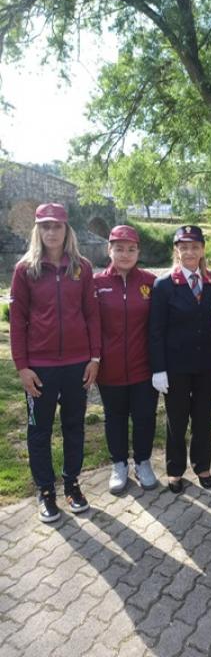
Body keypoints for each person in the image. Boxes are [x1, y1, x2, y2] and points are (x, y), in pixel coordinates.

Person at [9, 203, 101, 522]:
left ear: (66, 230)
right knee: (39, 431)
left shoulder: (82, 267)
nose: (51, 232)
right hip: (40, 368)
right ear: (38, 230)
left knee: (74, 427)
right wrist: (22, 366)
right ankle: (45, 491)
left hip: (78, 365)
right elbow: (17, 321)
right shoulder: (25, 270)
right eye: (45, 226)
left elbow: (92, 315)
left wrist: (95, 358)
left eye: (57, 226)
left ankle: (72, 484)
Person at [149, 225, 211, 494]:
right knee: (177, 421)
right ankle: (175, 469)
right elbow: (155, 331)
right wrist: (158, 369)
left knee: (203, 418)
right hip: (176, 367)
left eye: (195, 246)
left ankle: (202, 465)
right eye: (184, 247)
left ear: (203, 249)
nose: (190, 251)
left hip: (207, 365)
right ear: (176, 250)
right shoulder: (164, 284)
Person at [94, 225, 159, 494]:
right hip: (110, 369)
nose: (125, 254)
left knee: (145, 417)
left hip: (144, 368)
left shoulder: (151, 282)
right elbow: (91, 325)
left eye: (131, 249)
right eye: (119, 248)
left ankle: (142, 462)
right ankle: (119, 464)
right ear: (109, 250)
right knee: (115, 418)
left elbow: (160, 326)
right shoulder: (96, 283)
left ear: (138, 251)